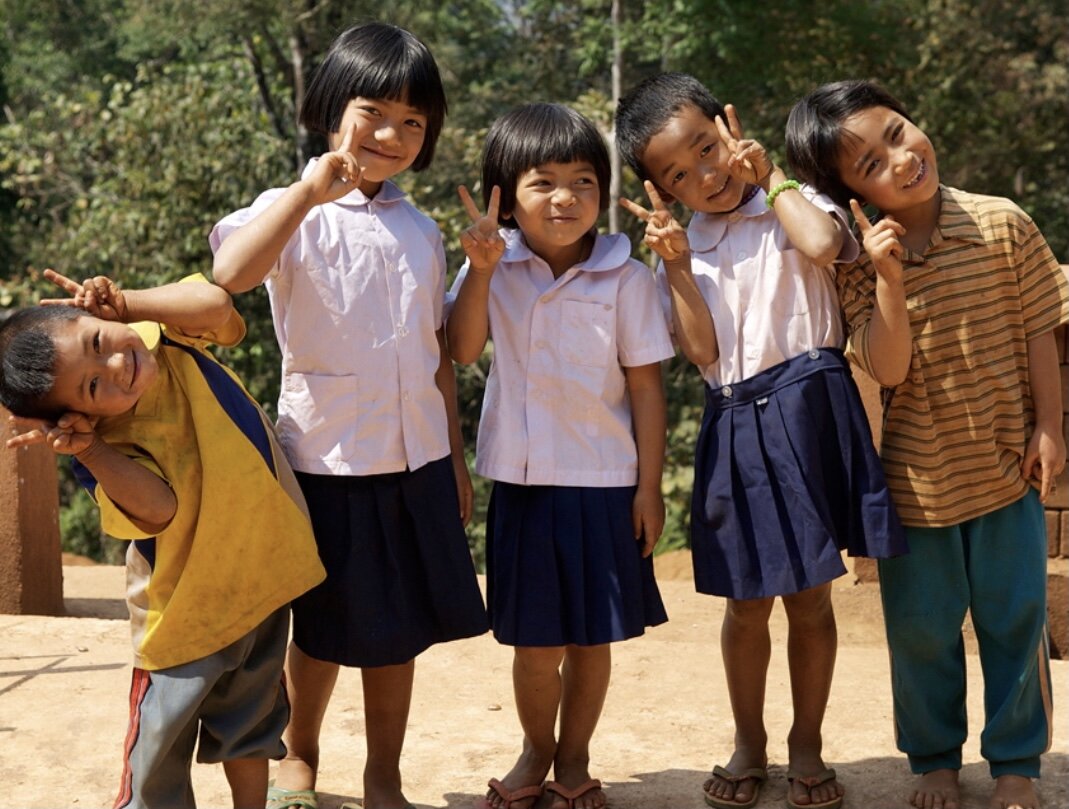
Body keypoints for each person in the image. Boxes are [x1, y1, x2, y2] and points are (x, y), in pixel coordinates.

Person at [209, 21, 488, 809]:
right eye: (374, 111)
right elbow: (230, 273)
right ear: (332, 107)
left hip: (417, 459)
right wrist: (306, 192)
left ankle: (384, 775)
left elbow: (440, 350)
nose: (391, 134)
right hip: (326, 459)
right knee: (323, 625)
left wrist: (455, 460)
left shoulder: (422, 230)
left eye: (413, 123)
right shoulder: (289, 209)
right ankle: (301, 755)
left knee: (397, 631)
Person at [615, 72, 908, 809]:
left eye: (708, 148)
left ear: (728, 128)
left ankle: (806, 742)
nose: (704, 175)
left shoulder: (797, 202)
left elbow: (822, 245)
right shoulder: (679, 247)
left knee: (810, 595)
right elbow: (703, 353)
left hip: (810, 410)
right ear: (662, 189)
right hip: (735, 419)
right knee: (745, 601)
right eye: (677, 173)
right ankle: (749, 740)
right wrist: (678, 267)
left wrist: (770, 176)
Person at [785, 78, 1068, 809]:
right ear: (845, 192)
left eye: (898, 132)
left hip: (1007, 472)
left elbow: (1040, 328)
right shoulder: (854, 265)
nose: (901, 159)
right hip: (912, 489)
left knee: (1015, 623)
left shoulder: (1002, 222)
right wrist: (884, 278)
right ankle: (933, 760)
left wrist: (1050, 425)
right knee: (920, 634)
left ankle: (1016, 763)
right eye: (870, 164)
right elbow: (886, 366)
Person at [0, 269, 326, 809]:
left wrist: (127, 303)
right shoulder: (106, 445)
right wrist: (88, 451)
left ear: (97, 317)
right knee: (157, 757)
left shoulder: (163, 331)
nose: (114, 365)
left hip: (262, 585)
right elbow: (160, 510)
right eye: (92, 386)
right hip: (181, 622)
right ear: (79, 416)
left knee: (252, 734)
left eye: (98, 341)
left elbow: (218, 305)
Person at [447, 102, 672, 809]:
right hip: (522, 485)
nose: (565, 197)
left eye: (582, 181)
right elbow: (459, 348)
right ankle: (533, 749)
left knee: (590, 639)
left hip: (605, 483)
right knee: (533, 643)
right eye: (542, 182)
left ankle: (574, 758)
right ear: (505, 194)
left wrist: (649, 485)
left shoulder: (627, 278)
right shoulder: (492, 268)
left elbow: (645, 385)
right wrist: (480, 270)